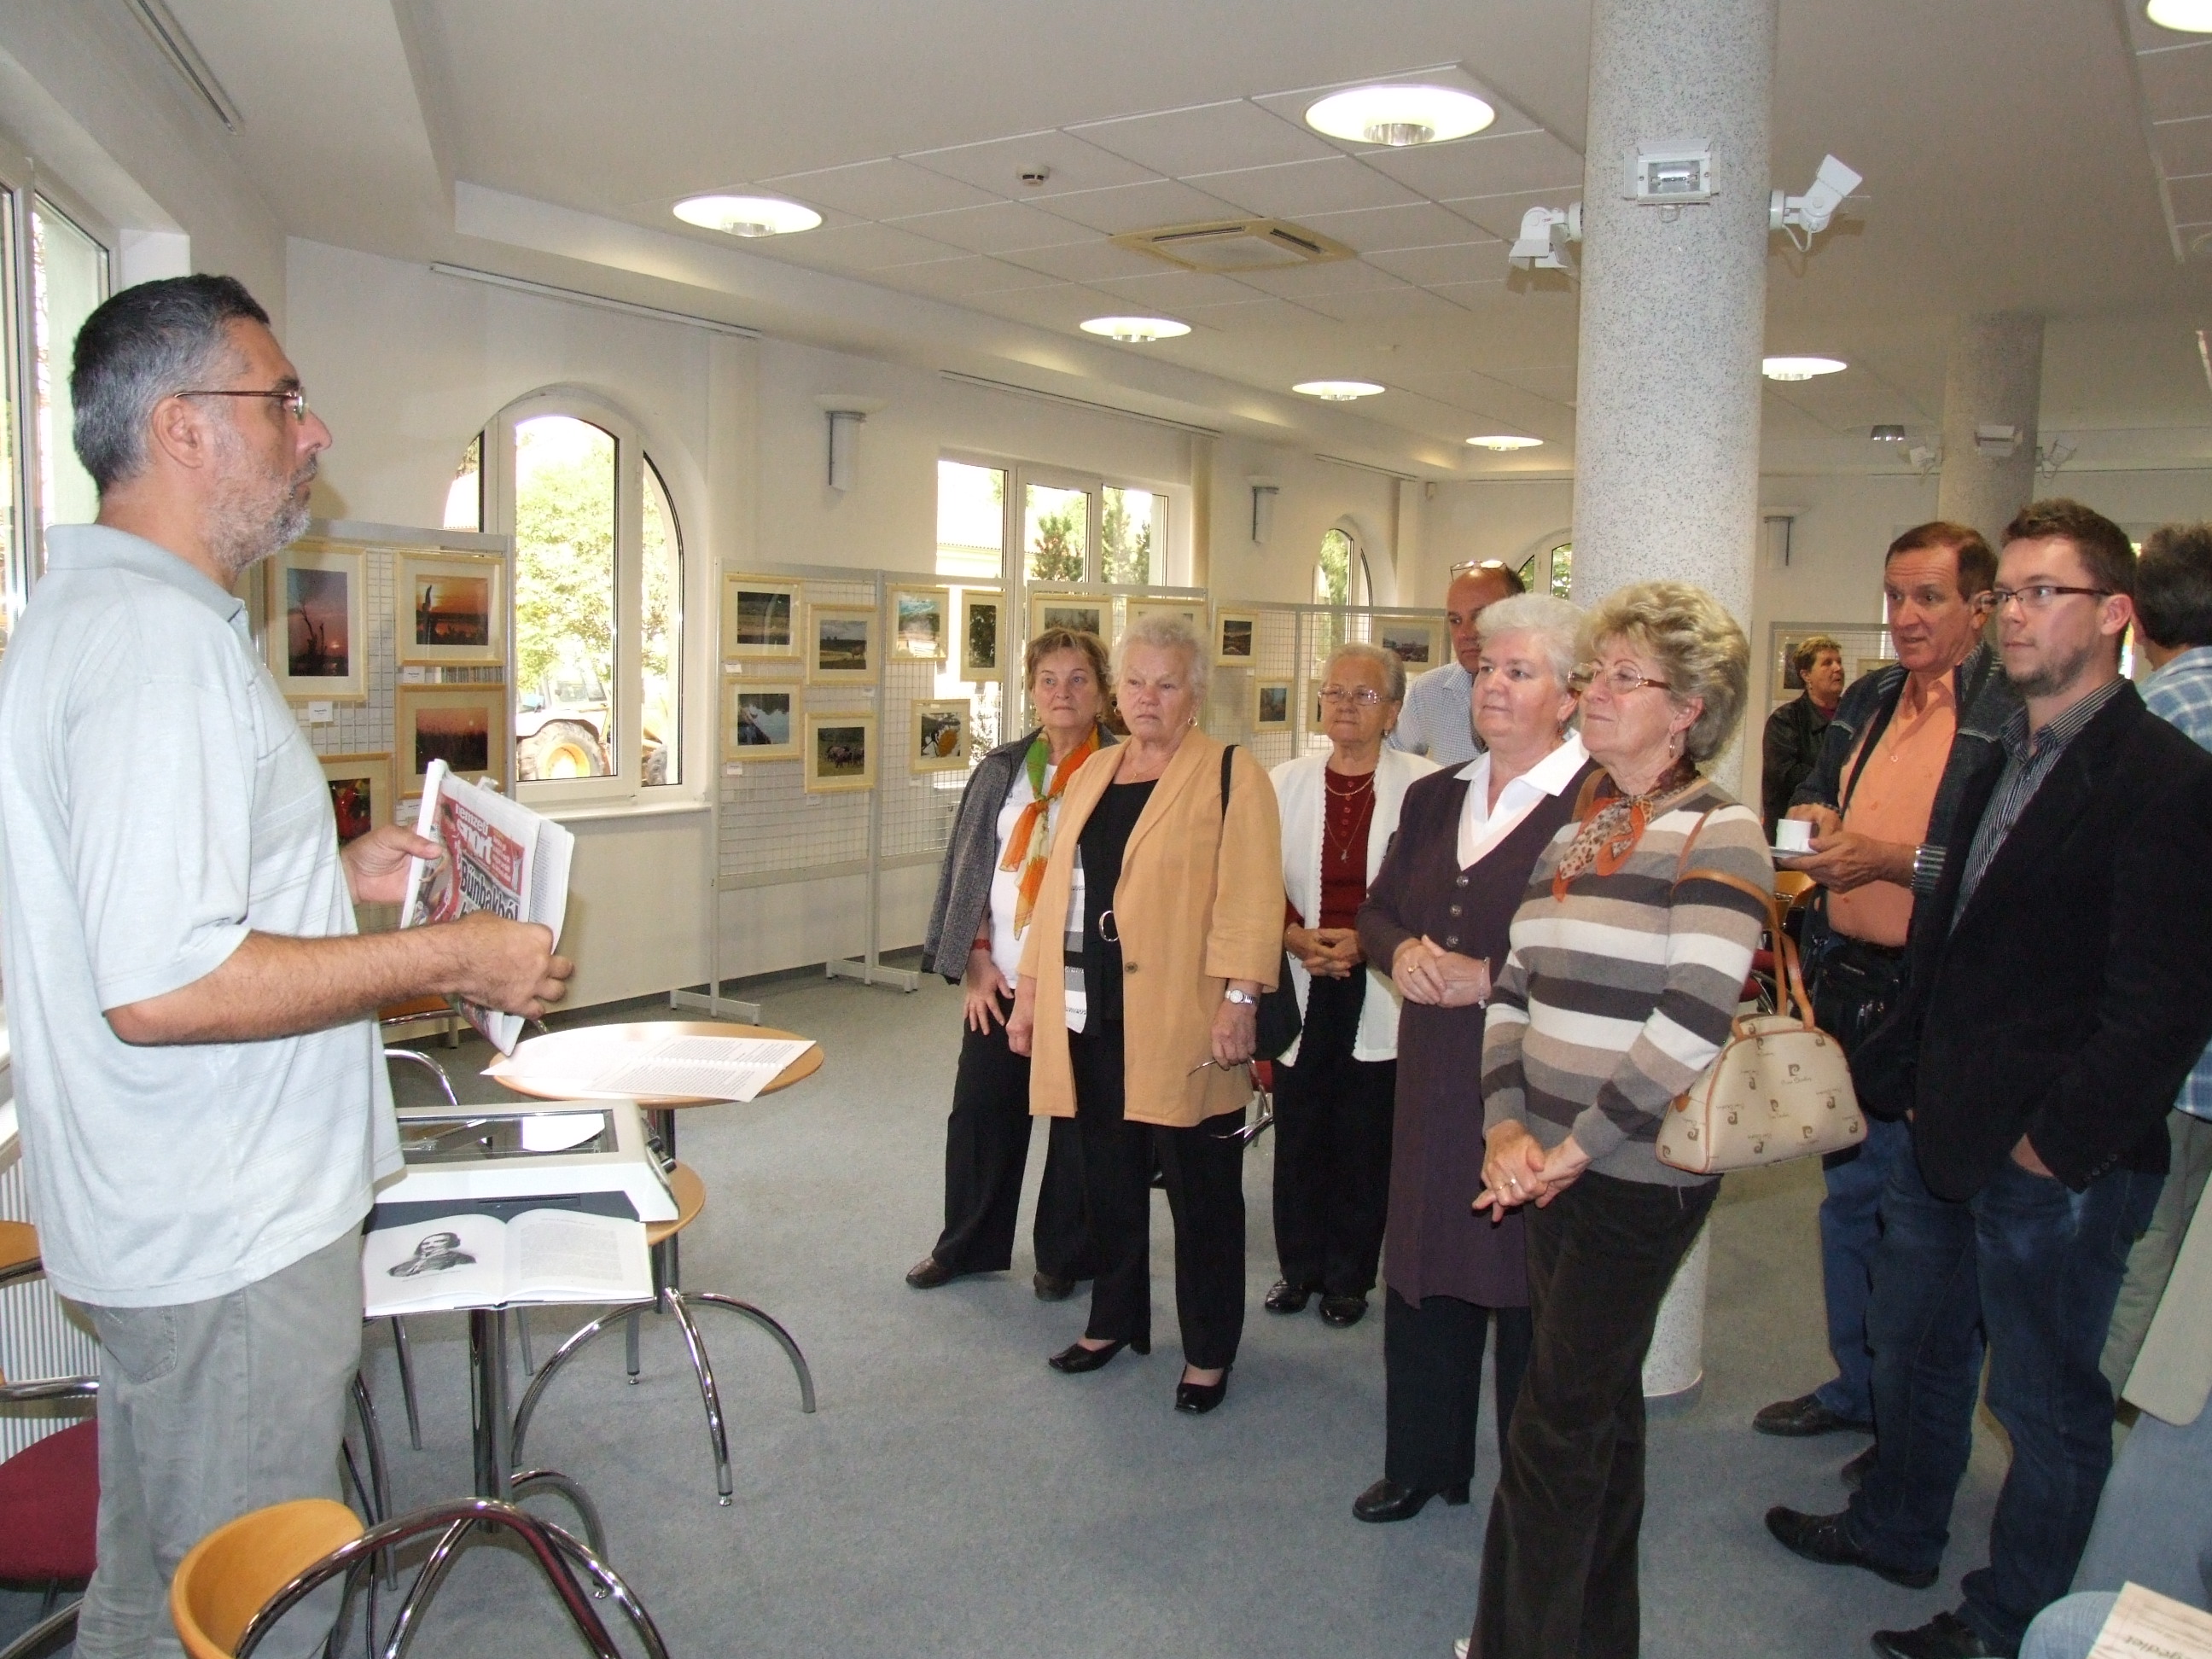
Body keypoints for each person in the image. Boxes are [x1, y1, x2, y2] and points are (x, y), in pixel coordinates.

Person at [0, 275, 571, 1659]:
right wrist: (445, 951)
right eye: (283, 399)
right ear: (184, 426)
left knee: (156, 1587)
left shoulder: (98, 615)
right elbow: (165, 985)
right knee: (254, 1608)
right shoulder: (157, 649)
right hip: (226, 1232)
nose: (312, 432)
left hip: (164, 1218)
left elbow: (140, 906)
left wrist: (332, 869)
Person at [1765, 499, 2212, 1659]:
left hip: (2057, 1159)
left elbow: (2163, 1007)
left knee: (2043, 1405)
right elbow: (1948, 935)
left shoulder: (2166, 779)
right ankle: (1897, 1527)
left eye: (2041, 593)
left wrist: (2049, 1147)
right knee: (1915, 1346)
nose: (2013, 615)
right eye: (2006, 593)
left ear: (2115, 615)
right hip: (1943, 1120)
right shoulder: (2000, 753)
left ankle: (2015, 1619)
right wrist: (1909, 1076)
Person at [1466, 581, 1769, 1659]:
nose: (1594, 692)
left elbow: (1691, 1024)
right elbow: (1513, 985)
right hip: (1549, 1161)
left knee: (1551, 1428)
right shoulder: (1586, 828)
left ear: (1689, 709)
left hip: (1634, 1176)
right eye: (1595, 672)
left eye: (1624, 678)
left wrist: (1572, 1149)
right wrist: (1506, 1128)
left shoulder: (1720, 832)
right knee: (1598, 1414)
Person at [1755, 523, 2014, 1467]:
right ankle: (1857, 1389)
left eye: (1928, 598)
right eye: (1895, 596)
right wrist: (1815, 815)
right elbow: (1818, 787)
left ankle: (1910, 1427)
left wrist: (1890, 861)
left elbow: (2002, 866)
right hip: (1846, 986)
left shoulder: (2008, 713)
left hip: (1936, 997)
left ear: (1980, 608)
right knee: (1849, 1204)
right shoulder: (1868, 696)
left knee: (1922, 1228)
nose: (1904, 617)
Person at [1351, 593, 1593, 1524]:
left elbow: (1605, 957)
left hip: (1538, 1080)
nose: (1492, 684)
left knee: (1530, 1283)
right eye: (1488, 667)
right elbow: (1377, 912)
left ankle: (1531, 1493)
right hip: (1432, 1069)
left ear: (1569, 696)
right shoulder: (1435, 794)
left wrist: (1489, 976)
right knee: (1424, 1256)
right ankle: (1423, 1461)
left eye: (1519, 672)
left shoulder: (1599, 807)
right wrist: (1400, 952)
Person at [1008, 613, 1284, 1415]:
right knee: (1109, 1180)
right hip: (1091, 1014)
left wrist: (1240, 999)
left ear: (1195, 694)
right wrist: (1031, 995)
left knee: (1202, 1194)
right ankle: (1114, 1319)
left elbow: (1252, 898)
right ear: (1116, 693)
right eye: (1134, 682)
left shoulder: (1231, 773)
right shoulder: (1096, 770)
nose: (1147, 698)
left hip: (1186, 1019)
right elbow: (1056, 892)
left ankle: (1207, 1351)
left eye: (1166, 684)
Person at [907, 629, 1113, 1299]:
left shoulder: (1122, 768)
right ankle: (967, 1245)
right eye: (1048, 679)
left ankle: (1064, 1257)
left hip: (1082, 980)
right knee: (981, 1112)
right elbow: (969, 870)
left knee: (1078, 1121)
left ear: (1103, 691)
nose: (1062, 692)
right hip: (999, 974)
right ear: (1030, 689)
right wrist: (974, 960)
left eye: (1078, 679)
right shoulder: (1002, 768)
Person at [1264, 643, 1437, 1329]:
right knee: (1299, 1130)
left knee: (1365, 1136)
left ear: (1393, 711)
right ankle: (1298, 1270)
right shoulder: (1285, 782)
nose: (1345, 705)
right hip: (1304, 972)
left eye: (1364, 696)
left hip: (1383, 980)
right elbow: (1254, 881)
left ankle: (1349, 1278)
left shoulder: (1426, 787)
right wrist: (1292, 936)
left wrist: (1369, 941)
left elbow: (1434, 889)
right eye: (1334, 692)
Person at [2099, 522, 2212, 1393]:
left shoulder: (2154, 722)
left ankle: (2098, 1444)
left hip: (2174, 1058)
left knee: (2142, 1252)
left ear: (2135, 618)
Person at [1391, 558, 1524, 765]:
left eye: (1479, 617)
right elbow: (1389, 759)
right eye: (1455, 621)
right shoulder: (1428, 692)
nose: (1464, 633)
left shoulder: (1550, 693)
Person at [1760, 633, 1842, 834]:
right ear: (1806, 675)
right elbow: (1787, 775)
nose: (1837, 668)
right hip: (1795, 832)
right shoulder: (1785, 720)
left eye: (1839, 662)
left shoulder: (1853, 717)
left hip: (1842, 829)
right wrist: (1841, 778)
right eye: (1827, 663)